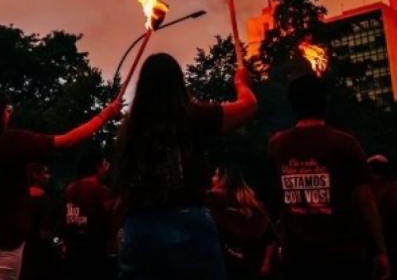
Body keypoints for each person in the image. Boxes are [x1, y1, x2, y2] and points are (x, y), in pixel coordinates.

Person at [0, 87, 121, 280]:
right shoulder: (12, 142)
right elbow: (66, 141)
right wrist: (103, 116)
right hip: (2, 250)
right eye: (8, 109)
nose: (9, 115)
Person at [114, 53, 257, 280]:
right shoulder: (194, 115)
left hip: (140, 227)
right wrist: (240, 83)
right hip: (189, 222)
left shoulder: (130, 128)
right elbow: (248, 106)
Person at [267, 74, 389, 280]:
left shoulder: (277, 145)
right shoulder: (345, 143)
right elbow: (365, 200)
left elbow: (273, 197)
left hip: (297, 257)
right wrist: (380, 250)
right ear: (325, 102)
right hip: (342, 256)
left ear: (292, 104)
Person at [206, 165, 276, 280]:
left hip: (247, 264)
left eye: (216, 175)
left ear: (224, 180)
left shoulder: (219, 201)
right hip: (248, 262)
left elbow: (269, 236)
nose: (212, 178)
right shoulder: (247, 203)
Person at [62, 148, 115, 280]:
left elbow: (69, 217)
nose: (107, 168)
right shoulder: (100, 190)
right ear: (98, 166)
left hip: (73, 250)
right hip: (95, 251)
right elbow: (112, 217)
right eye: (105, 164)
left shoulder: (70, 189)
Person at [20, 163, 59, 280]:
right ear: (35, 175)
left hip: (21, 250)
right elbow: (44, 232)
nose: (49, 176)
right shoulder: (43, 197)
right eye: (45, 172)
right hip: (39, 252)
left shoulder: (20, 196)